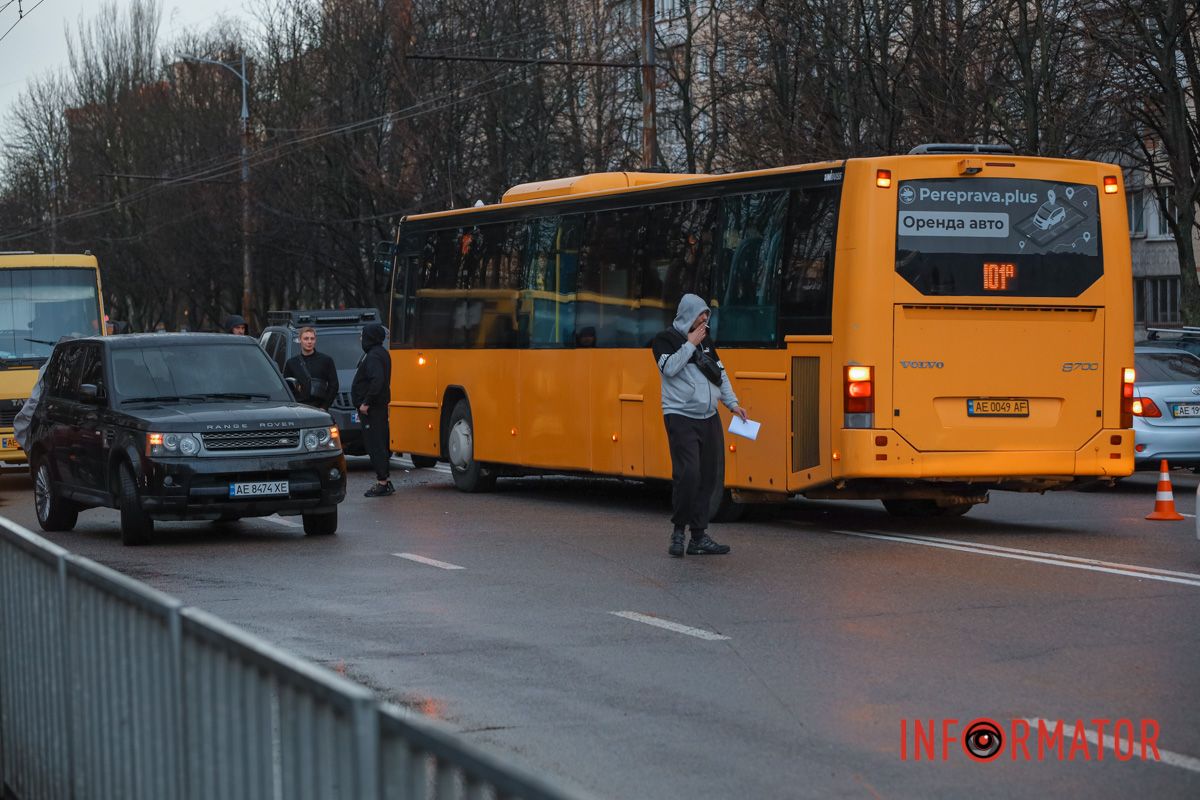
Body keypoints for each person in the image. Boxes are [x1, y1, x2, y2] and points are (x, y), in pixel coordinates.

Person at [651, 294, 748, 558]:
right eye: (701, 315)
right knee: (688, 474)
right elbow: (669, 369)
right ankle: (678, 532)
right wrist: (689, 344)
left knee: (709, 477)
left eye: (707, 314)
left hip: (708, 416)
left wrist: (733, 404)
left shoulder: (706, 341)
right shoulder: (665, 340)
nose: (705, 319)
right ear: (688, 315)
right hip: (680, 415)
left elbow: (720, 373)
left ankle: (698, 537)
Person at [352, 322, 393, 497]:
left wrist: (366, 402)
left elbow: (377, 380)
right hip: (377, 408)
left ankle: (382, 482)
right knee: (380, 442)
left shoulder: (374, 356)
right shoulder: (379, 353)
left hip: (373, 409)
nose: (361, 338)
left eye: (363, 335)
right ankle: (385, 480)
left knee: (375, 444)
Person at [284, 326, 339, 410]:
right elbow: (287, 387)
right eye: (306, 339)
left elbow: (334, 385)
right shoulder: (291, 363)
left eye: (312, 339)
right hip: (298, 408)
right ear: (299, 340)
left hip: (319, 408)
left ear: (315, 340)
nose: (309, 342)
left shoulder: (326, 360)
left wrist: (325, 406)